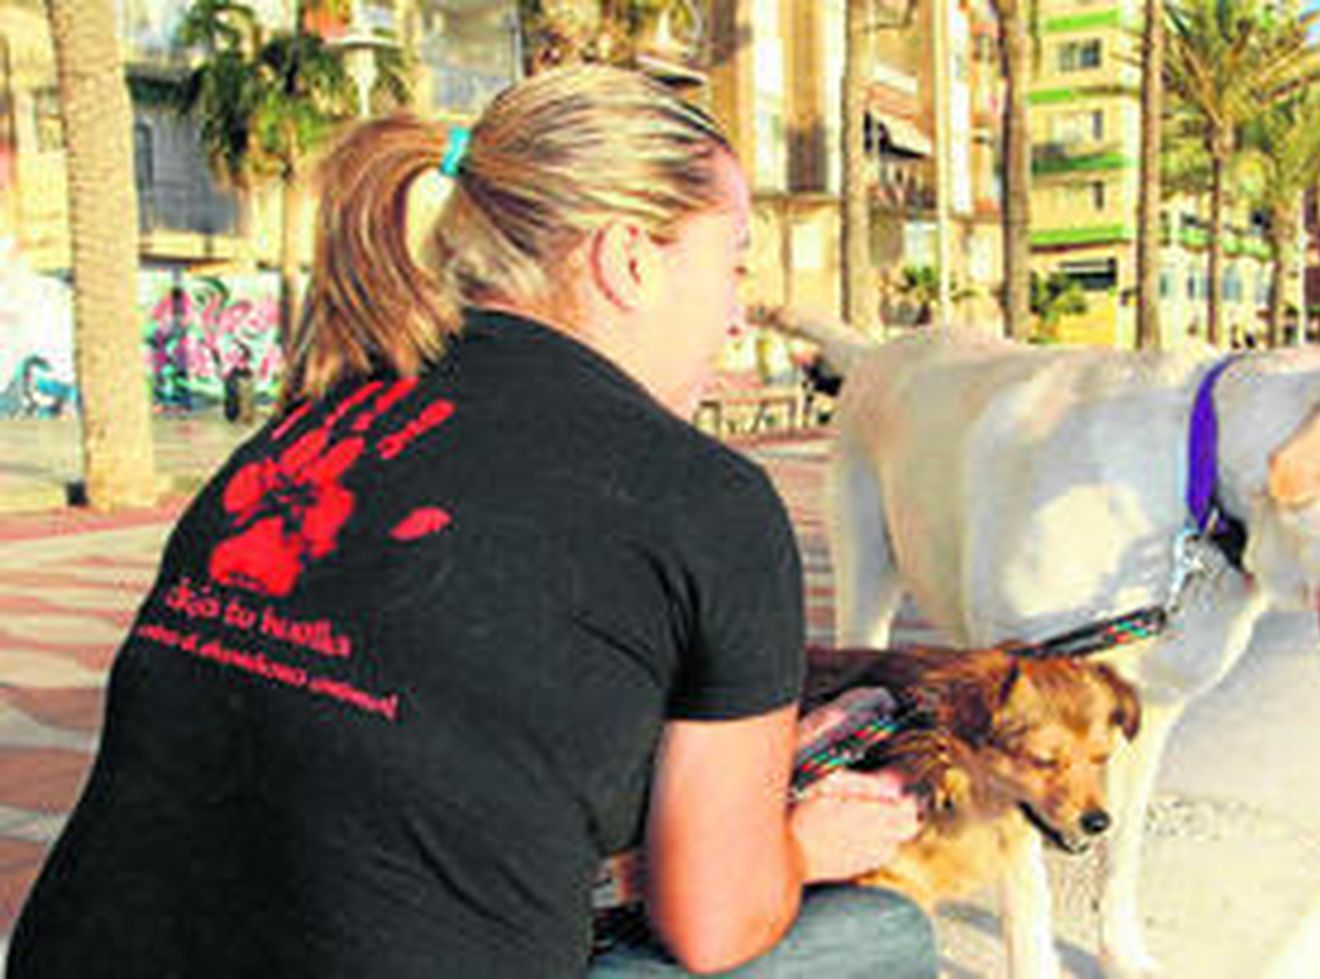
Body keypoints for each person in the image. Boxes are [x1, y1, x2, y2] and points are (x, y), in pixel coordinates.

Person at [8, 67, 933, 978]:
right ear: (628, 259)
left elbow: (430, 742)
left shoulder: (312, 423)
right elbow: (714, 922)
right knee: (880, 936)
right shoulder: (708, 501)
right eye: (731, 263)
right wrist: (802, 841)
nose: (735, 317)